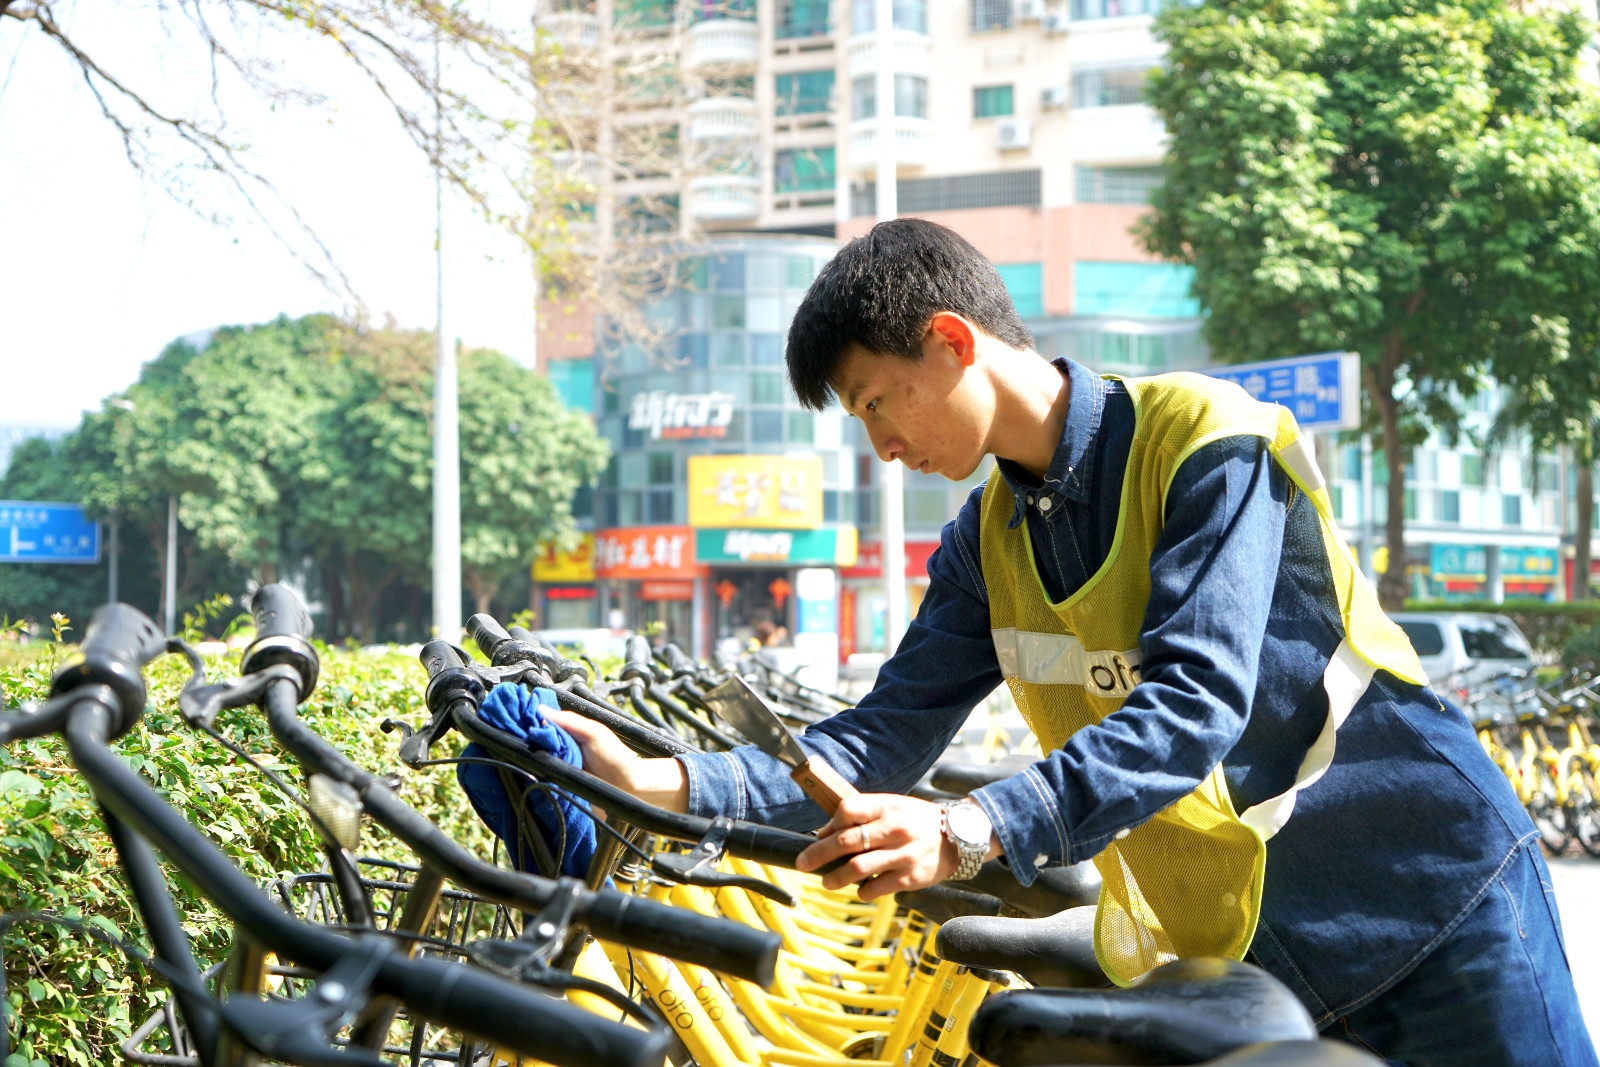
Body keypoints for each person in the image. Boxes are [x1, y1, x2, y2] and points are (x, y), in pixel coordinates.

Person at [547, 219, 1596, 1066]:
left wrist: (968, 828)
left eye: (877, 401)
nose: (884, 444)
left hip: (1432, 894)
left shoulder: (1203, 437)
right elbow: (882, 735)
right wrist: (661, 776)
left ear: (952, 341)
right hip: (1256, 954)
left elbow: (1194, 705)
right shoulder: (983, 543)